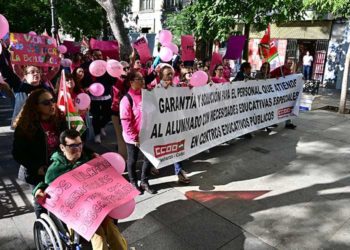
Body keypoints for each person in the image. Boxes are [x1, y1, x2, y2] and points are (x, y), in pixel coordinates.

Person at [33, 129, 127, 250]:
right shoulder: (55, 169)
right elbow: (46, 186)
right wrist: (38, 190)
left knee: (113, 231)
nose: (78, 148)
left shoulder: (89, 160)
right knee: (98, 235)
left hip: (95, 208)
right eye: (72, 146)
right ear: (62, 147)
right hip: (75, 214)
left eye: (79, 144)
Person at [12, 89, 66, 217]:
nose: (52, 105)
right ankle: (43, 232)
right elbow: (18, 153)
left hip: (57, 168)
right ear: (36, 106)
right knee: (41, 201)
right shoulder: (25, 126)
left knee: (60, 200)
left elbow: (72, 141)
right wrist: (37, 167)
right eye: (46, 103)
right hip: (36, 172)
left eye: (52, 101)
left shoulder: (60, 121)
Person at [120, 71, 156, 194]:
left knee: (149, 158)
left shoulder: (147, 94)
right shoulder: (127, 99)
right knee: (132, 159)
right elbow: (125, 121)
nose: (142, 81)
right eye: (139, 79)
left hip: (148, 133)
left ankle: (144, 181)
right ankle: (133, 182)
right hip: (133, 137)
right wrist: (134, 137)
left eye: (142, 79)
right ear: (131, 82)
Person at [158, 65, 191, 184]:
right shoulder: (156, 88)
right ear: (161, 75)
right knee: (162, 147)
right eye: (167, 74)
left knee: (177, 147)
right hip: (163, 125)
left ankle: (179, 171)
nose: (170, 76)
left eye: (171, 74)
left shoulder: (176, 87)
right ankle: (154, 166)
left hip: (176, 124)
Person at [270, 59, 297, 129]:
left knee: (288, 107)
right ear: (285, 63)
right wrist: (276, 78)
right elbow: (270, 75)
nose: (290, 65)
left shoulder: (290, 71)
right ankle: (273, 122)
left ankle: (288, 123)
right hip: (279, 93)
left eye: (291, 63)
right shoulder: (280, 69)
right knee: (277, 107)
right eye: (289, 63)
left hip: (287, 93)